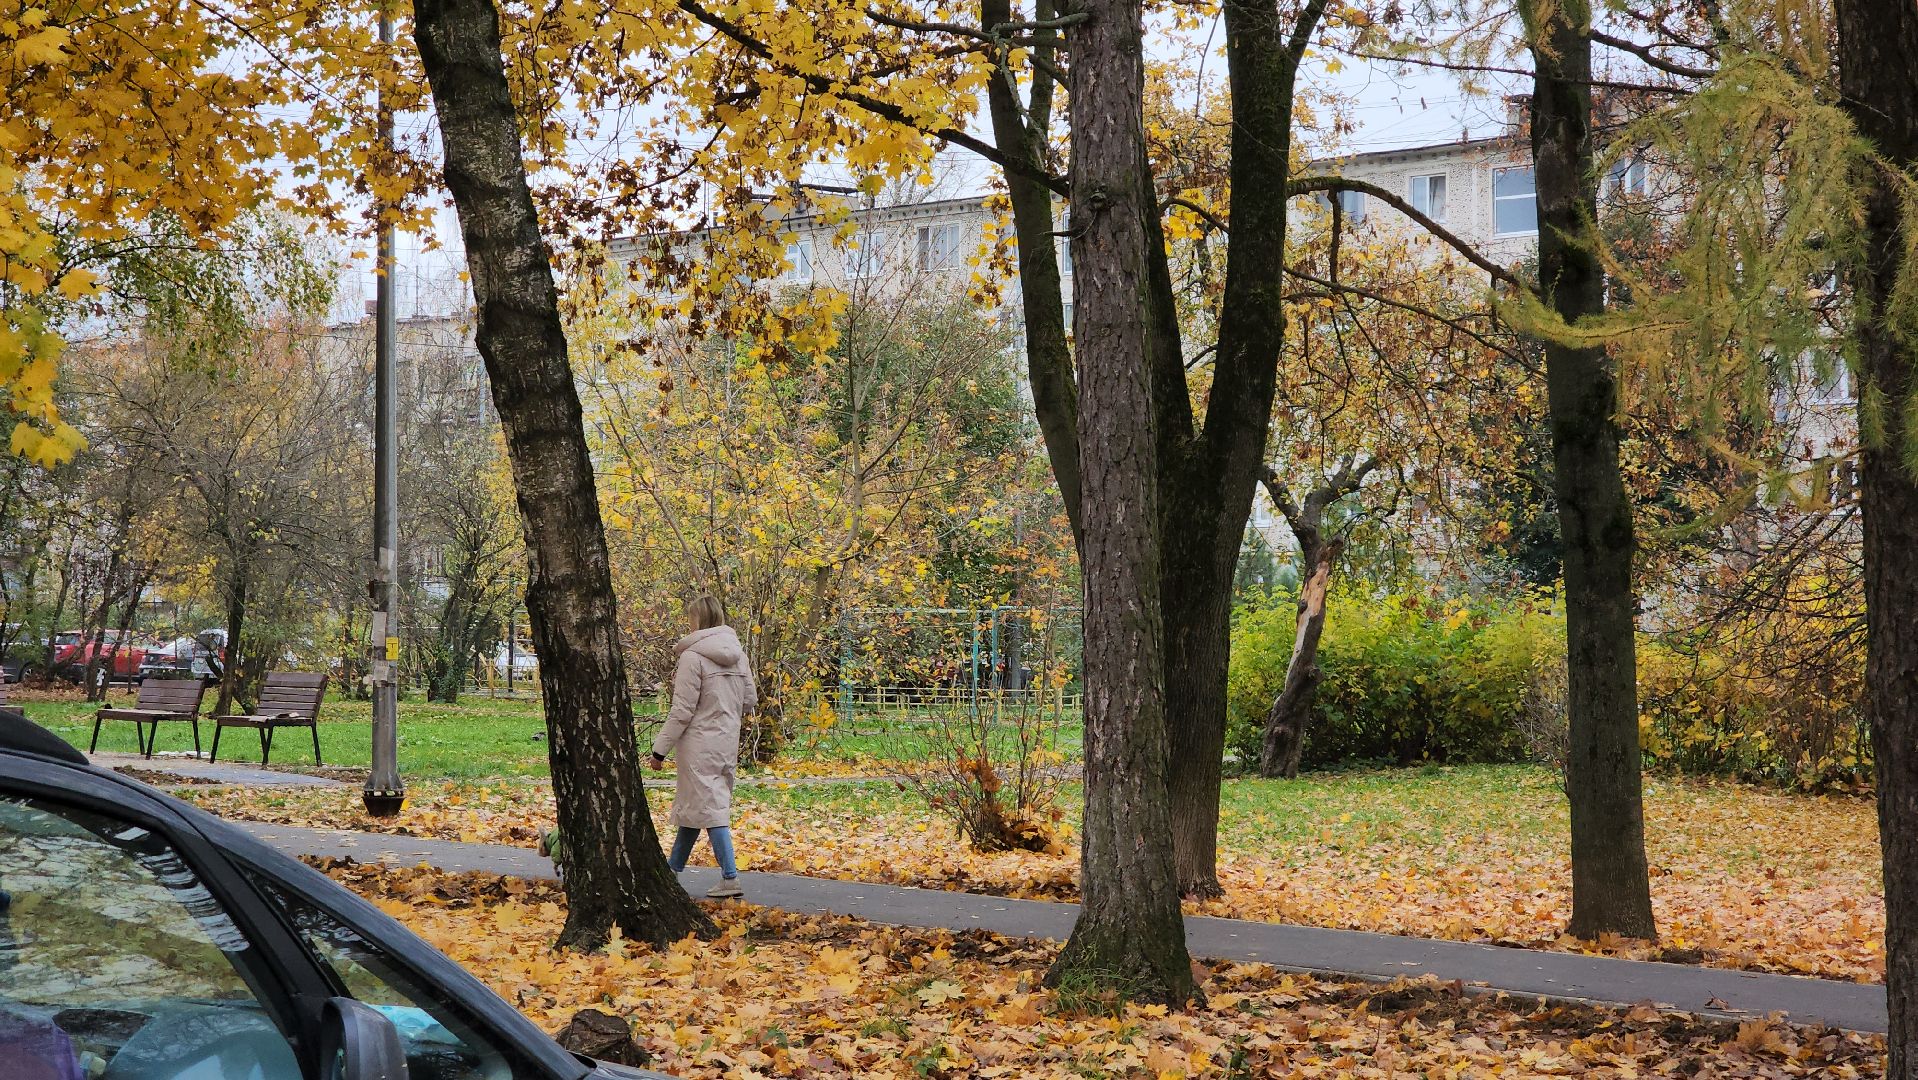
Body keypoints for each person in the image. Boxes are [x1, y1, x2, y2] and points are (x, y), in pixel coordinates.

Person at [651, 595, 757, 898]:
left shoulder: (692, 657)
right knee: (696, 807)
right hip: (726, 741)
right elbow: (749, 699)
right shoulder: (738, 655)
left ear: (696, 620)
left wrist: (660, 750)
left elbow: (682, 710)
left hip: (698, 744)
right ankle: (671, 872)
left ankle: (730, 876)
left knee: (709, 809)